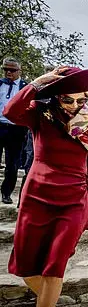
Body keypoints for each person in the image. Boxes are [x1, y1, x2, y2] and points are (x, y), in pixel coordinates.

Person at [4, 66, 88, 307]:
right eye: (69, 100)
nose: (77, 106)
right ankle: (48, 303)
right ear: (55, 97)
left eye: (82, 99)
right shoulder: (39, 112)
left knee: (55, 267)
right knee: (25, 268)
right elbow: (11, 111)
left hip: (73, 200)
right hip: (37, 196)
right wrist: (38, 83)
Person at [0, 58, 28, 204]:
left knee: (12, 164)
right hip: (0, 126)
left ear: (19, 71)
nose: (8, 72)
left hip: (16, 129)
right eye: (6, 69)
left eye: (12, 70)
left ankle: (6, 193)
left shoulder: (25, 87)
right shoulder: (0, 84)